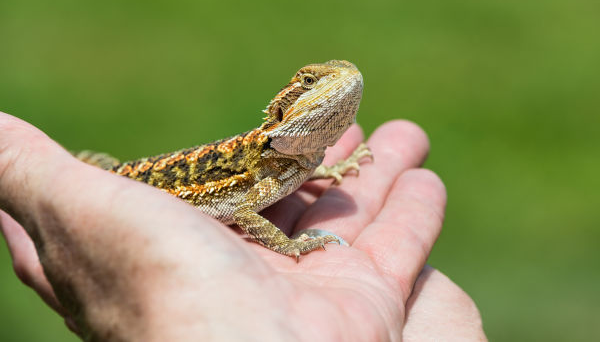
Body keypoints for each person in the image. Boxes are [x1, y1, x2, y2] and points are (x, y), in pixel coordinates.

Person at [0, 112, 486, 341]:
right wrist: (289, 245)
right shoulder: (259, 161)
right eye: (310, 84)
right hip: (142, 183)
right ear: (283, 114)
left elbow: (291, 172)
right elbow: (246, 210)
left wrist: (329, 169)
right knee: (97, 168)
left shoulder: (293, 161)